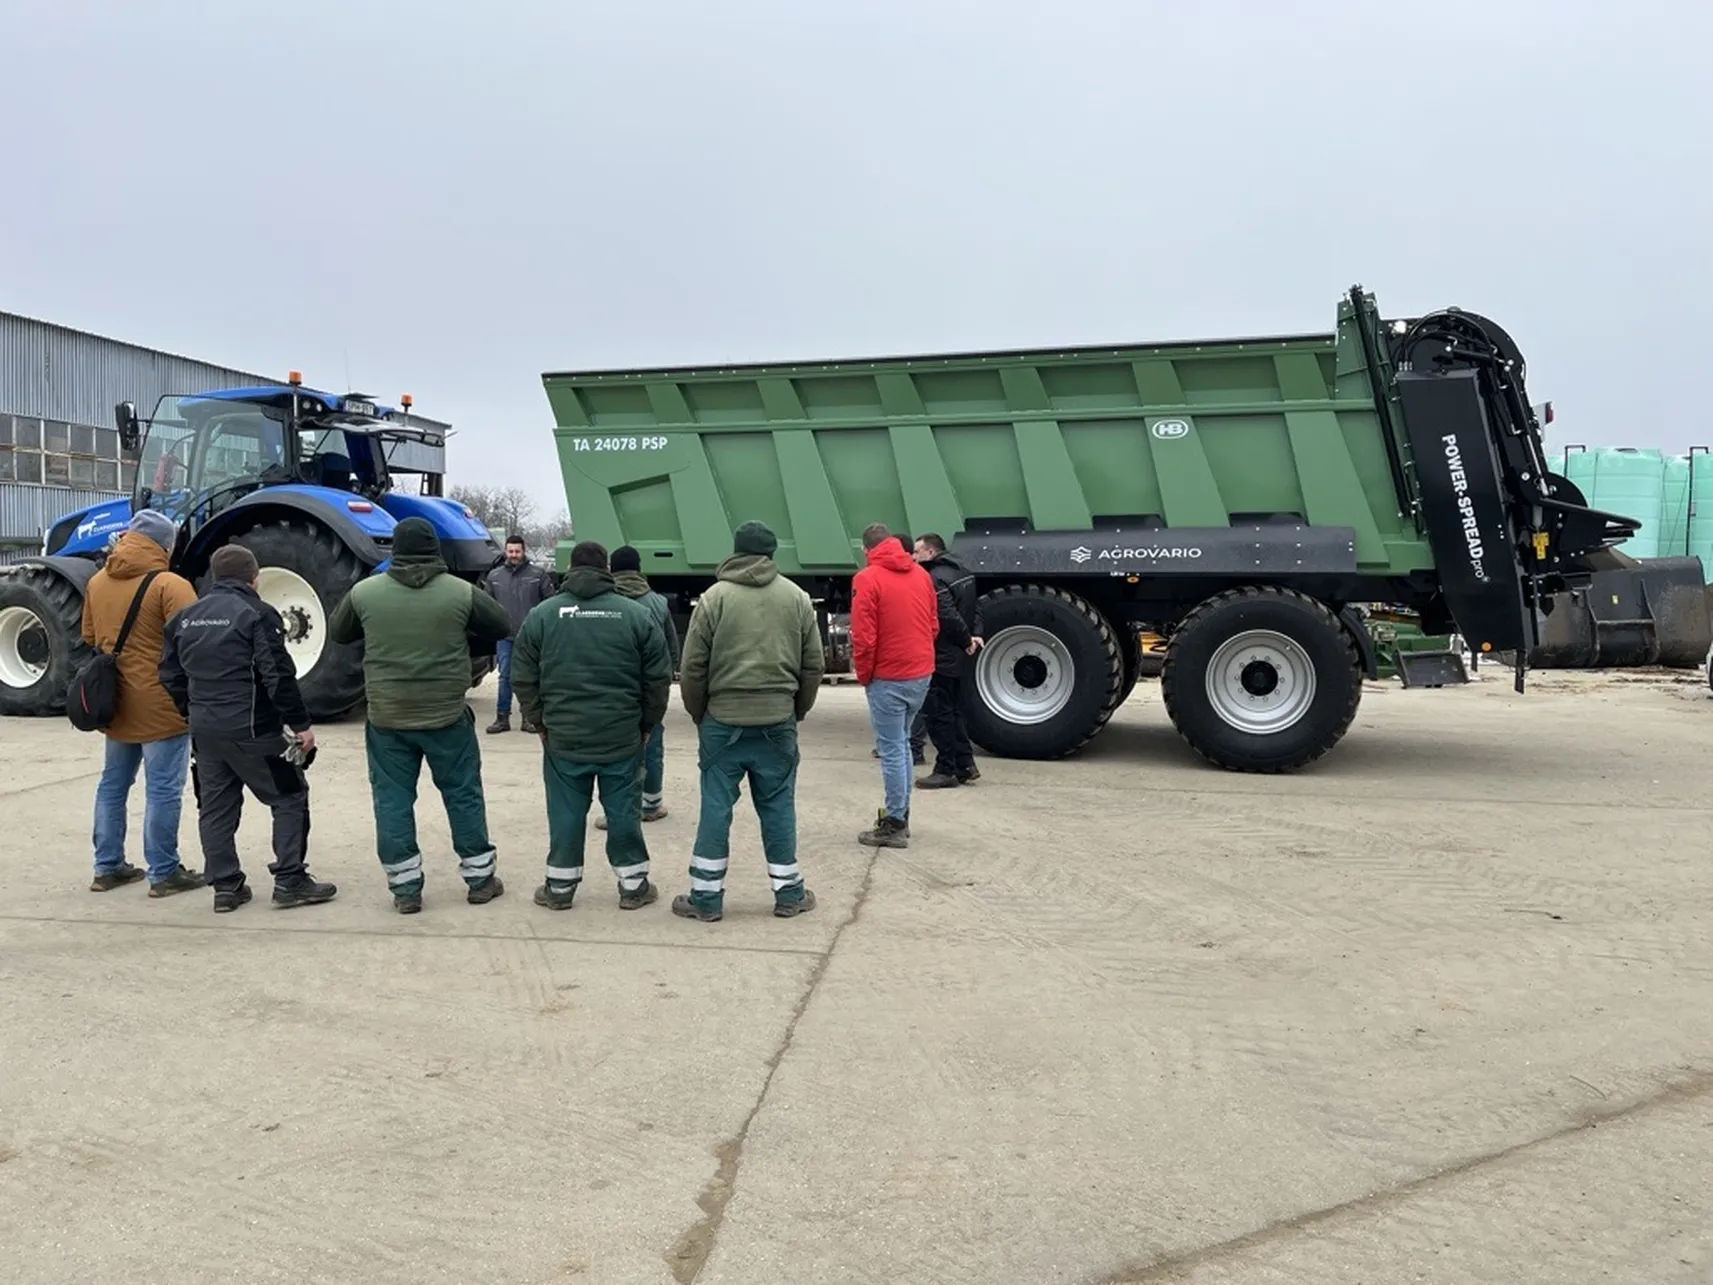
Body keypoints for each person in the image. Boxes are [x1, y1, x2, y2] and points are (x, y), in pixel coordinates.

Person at [327, 516, 513, 913]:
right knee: (462, 795)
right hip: (446, 714)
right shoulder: (459, 592)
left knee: (392, 800)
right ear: (435, 549)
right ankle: (480, 879)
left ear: (395, 549)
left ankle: (405, 888)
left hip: (388, 718)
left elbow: (339, 633)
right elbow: (500, 624)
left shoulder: (365, 593)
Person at [158, 544, 338, 912]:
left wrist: (191, 713)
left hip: (205, 730)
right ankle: (290, 880)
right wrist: (301, 725)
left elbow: (170, 676)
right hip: (254, 728)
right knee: (289, 795)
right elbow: (278, 675)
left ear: (214, 576)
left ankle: (226, 887)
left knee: (216, 808)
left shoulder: (184, 618)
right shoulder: (257, 614)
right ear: (254, 579)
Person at [509, 540, 672, 912]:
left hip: (564, 738)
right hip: (621, 737)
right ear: (607, 572)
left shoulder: (543, 615)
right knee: (623, 812)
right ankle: (633, 888)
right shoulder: (635, 615)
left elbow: (522, 676)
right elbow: (658, 679)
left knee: (566, 812)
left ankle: (559, 889)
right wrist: (646, 724)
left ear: (570, 569)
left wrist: (539, 721)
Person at [675, 520, 824, 922]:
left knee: (715, 807)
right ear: (772, 553)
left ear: (736, 551)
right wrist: (798, 710)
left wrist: (698, 712)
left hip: (722, 720)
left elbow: (692, 667)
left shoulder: (714, 598)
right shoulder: (796, 598)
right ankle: (789, 894)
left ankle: (706, 900)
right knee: (777, 806)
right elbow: (814, 664)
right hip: (777, 720)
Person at [80, 510, 206, 897]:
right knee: (164, 790)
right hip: (162, 705)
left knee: (112, 785)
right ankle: (164, 872)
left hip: (113, 701)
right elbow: (195, 643)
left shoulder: (98, 581)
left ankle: (107, 867)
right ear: (164, 545)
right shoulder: (170, 584)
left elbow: (89, 635)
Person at [850, 521, 937, 849]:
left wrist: (864, 674)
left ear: (865, 549)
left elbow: (864, 637)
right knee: (900, 745)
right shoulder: (921, 575)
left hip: (888, 676)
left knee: (892, 749)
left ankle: (896, 822)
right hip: (920, 674)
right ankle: (901, 812)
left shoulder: (867, 579)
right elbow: (932, 624)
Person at [594, 544, 681, 829]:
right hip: (647, 688)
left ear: (611, 569)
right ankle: (651, 805)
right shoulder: (657, 602)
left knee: (614, 750)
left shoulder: (600, 600)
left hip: (611, 688)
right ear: (639, 568)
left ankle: (614, 812)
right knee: (652, 743)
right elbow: (672, 648)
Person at [912, 532, 984, 789]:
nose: (914, 556)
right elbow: (975, 607)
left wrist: (965, 640)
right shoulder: (963, 571)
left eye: (917, 551)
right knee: (954, 711)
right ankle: (965, 764)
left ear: (931, 552)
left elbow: (946, 614)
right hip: (958, 655)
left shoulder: (933, 578)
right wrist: (974, 636)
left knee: (938, 713)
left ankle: (946, 769)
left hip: (941, 654)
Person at [482, 534, 555, 734]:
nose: (514, 555)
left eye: (517, 551)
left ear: (523, 551)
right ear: (505, 551)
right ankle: (502, 718)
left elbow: (550, 603)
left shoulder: (538, 574)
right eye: (510, 551)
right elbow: (487, 606)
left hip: (531, 637)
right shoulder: (494, 576)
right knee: (505, 677)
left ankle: (529, 719)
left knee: (531, 677)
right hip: (505, 635)